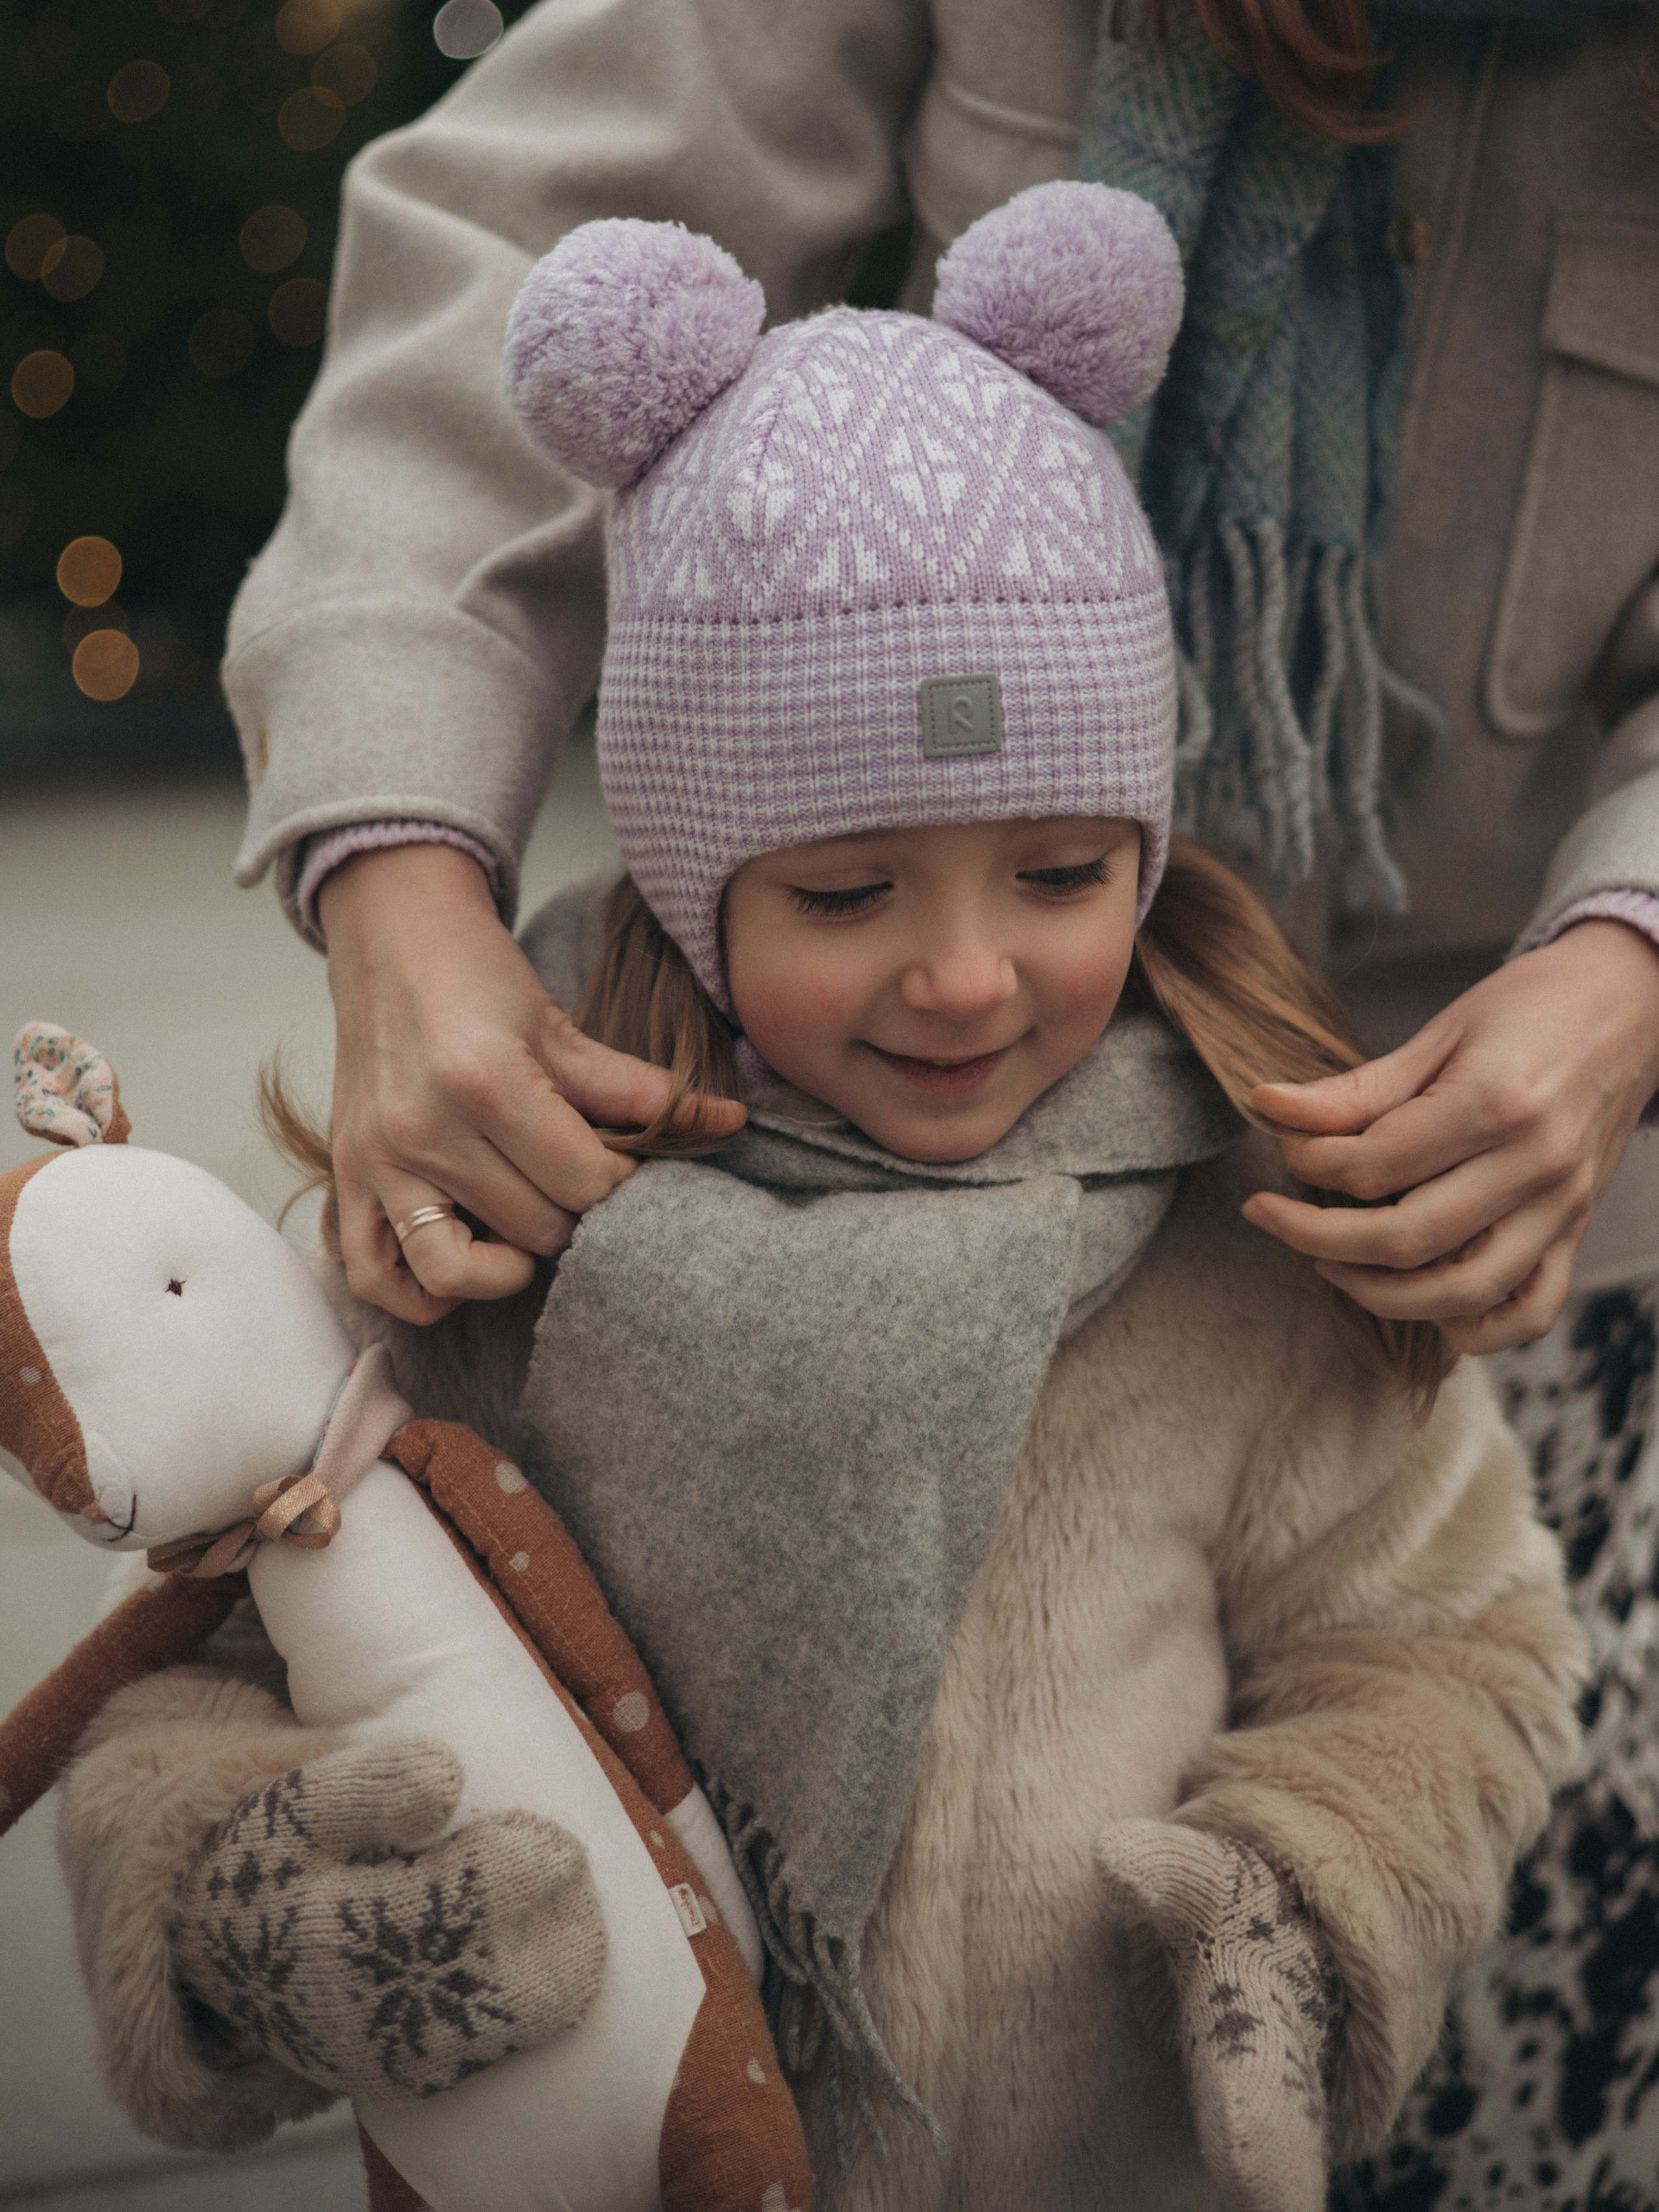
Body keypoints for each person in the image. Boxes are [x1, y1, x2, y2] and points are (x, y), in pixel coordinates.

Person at [160, 0, 1659, 2189]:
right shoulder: (568, 1249)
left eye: (1051, 880)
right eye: (863, 886)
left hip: (1555, 1219)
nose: (969, 969)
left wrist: (1628, 958)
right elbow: (510, 244)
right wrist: (395, 872)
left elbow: (1447, 1661)